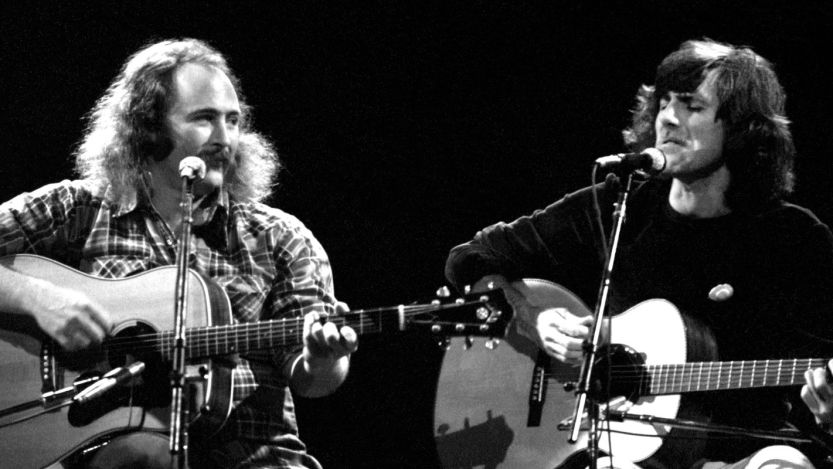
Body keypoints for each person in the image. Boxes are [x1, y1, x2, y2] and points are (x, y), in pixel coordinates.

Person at [444, 38, 833, 468]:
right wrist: (533, 319)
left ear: (743, 128)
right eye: (664, 103)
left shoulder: (796, 239)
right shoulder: (621, 204)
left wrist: (828, 413)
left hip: (746, 453)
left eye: (691, 105)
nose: (668, 118)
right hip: (620, 455)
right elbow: (473, 257)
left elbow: (818, 382)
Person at [0, 38, 357, 468]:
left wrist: (324, 357)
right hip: (109, 455)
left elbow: (314, 381)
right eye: (205, 119)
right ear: (147, 126)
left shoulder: (281, 238)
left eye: (233, 121)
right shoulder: (78, 210)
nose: (224, 139)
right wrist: (39, 299)